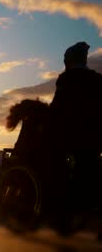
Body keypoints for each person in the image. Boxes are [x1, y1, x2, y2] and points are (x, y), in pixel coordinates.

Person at [49, 41, 102, 212]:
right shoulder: (96, 79)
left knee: (58, 163)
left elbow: (56, 108)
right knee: (90, 166)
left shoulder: (66, 79)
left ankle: (67, 207)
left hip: (72, 133)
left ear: (68, 61)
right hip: (96, 134)